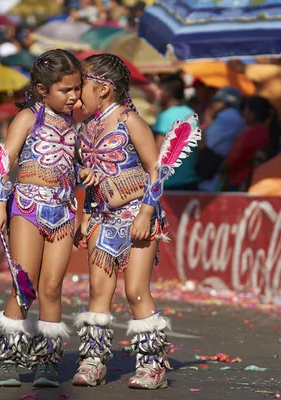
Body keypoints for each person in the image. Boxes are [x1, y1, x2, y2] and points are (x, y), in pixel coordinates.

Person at [72, 53, 197, 390]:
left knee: (136, 291)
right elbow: (94, 177)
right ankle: (93, 359)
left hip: (137, 216)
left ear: (102, 89)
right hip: (101, 217)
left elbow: (156, 169)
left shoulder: (131, 121)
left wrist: (145, 213)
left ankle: (153, 366)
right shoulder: (86, 126)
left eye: (80, 84)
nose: (74, 92)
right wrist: (85, 213)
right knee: (98, 290)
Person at [0, 49, 86, 388]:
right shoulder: (30, 117)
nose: (73, 96)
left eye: (76, 89)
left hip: (64, 210)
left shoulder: (78, 122)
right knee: (23, 286)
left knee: (52, 288)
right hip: (26, 207)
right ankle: (7, 359)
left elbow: (81, 167)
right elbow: (1, 162)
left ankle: (48, 362)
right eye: (65, 90)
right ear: (43, 90)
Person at [218, 96, 276, 191]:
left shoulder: (249, 133)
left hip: (239, 183)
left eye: (246, 110)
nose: (244, 113)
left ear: (253, 114)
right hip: (257, 181)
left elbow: (230, 161)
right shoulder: (267, 132)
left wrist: (220, 169)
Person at [152, 76, 199, 191]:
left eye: (161, 90)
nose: (159, 94)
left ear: (168, 92)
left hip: (169, 182)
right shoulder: (191, 113)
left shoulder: (165, 116)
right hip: (189, 179)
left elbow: (157, 151)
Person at [198, 86, 245, 191]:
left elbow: (203, 144)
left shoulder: (228, 116)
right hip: (216, 172)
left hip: (214, 175)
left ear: (224, 103)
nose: (212, 104)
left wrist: (206, 120)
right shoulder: (232, 117)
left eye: (216, 101)